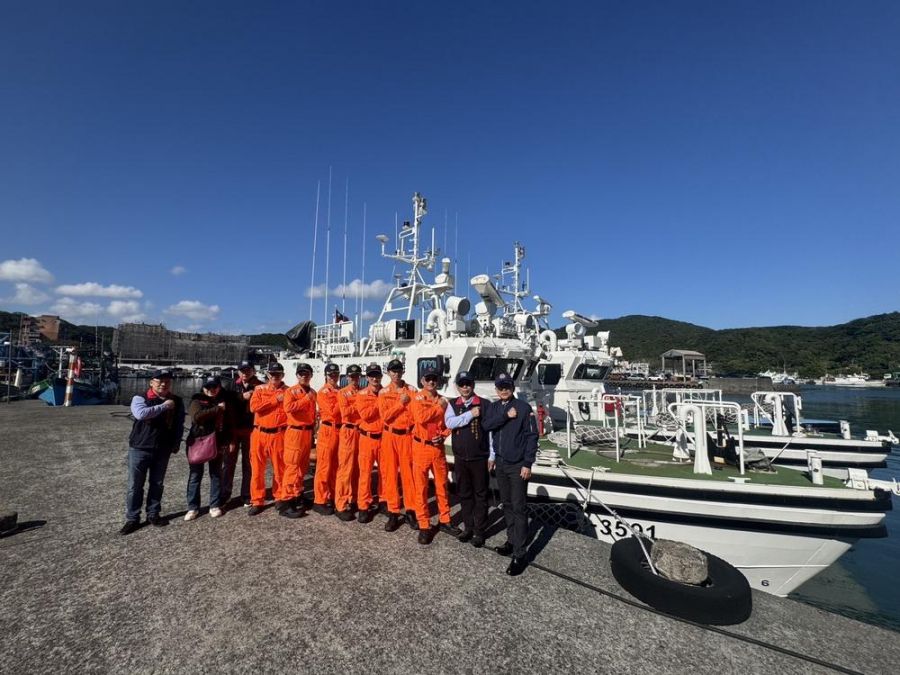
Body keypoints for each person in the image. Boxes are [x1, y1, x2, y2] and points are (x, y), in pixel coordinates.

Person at [482, 372, 538, 576]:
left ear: (512, 388)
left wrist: (528, 463)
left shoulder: (524, 409)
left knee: (519, 507)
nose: (503, 390)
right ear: (496, 389)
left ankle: (520, 554)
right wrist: (505, 416)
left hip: (517, 466)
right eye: (500, 387)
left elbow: (533, 436)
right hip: (501, 463)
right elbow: (486, 425)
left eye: (507, 387)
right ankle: (511, 541)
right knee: (506, 504)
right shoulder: (495, 408)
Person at [120, 369, 185, 535]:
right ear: (151, 382)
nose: (163, 384)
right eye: (159, 380)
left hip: (163, 448)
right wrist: (163, 406)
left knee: (157, 483)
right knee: (135, 485)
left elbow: (179, 424)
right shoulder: (140, 398)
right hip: (140, 447)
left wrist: (176, 443)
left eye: (167, 381)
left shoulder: (176, 400)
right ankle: (133, 518)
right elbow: (140, 414)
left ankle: (153, 514)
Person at [409, 368, 461, 544]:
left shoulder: (443, 400)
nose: (431, 382)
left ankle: (445, 520)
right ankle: (424, 524)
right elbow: (421, 418)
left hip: (437, 448)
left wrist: (444, 435)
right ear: (422, 380)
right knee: (421, 488)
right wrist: (439, 407)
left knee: (442, 485)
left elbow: (450, 424)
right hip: (421, 447)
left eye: (434, 379)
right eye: (428, 379)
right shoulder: (418, 398)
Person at [249, 362, 302, 518]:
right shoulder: (259, 389)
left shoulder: (289, 391)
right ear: (267, 375)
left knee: (280, 469)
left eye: (278, 374)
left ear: (283, 376)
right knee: (257, 470)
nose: (274, 377)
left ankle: (280, 497)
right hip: (259, 433)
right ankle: (257, 500)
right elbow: (254, 407)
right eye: (272, 374)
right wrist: (274, 400)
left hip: (280, 434)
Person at [444, 370, 490, 548]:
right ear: (457, 386)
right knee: (464, 494)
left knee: (481, 495)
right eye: (462, 384)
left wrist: (491, 455)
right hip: (461, 458)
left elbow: (490, 432)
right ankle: (468, 527)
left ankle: (479, 531)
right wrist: (470, 414)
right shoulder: (452, 405)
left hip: (479, 457)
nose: (465, 387)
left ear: (473, 385)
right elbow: (450, 423)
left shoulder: (485, 404)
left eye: (468, 384)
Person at [184, 376, 233, 521]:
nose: (211, 390)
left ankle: (214, 505)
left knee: (216, 475)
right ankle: (193, 507)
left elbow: (228, 423)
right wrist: (217, 409)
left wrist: (229, 441)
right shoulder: (196, 400)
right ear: (203, 388)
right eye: (208, 387)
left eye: (214, 387)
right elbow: (197, 417)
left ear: (219, 387)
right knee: (195, 476)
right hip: (198, 442)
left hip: (217, 442)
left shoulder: (224, 400)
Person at [378, 359, 417, 532]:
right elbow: (385, 416)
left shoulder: (413, 391)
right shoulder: (383, 392)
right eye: (393, 371)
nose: (396, 373)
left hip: (407, 436)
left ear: (403, 371)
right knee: (391, 473)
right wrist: (401, 403)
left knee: (409, 475)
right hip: (389, 436)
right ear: (388, 373)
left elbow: (417, 415)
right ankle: (393, 511)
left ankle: (411, 510)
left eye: (399, 370)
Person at [223, 360, 260, 508]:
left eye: (248, 370)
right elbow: (226, 404)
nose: (245, 373)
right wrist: (241, 397)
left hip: (251, 430)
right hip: (233, 429)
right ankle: (225, 495)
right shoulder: (231, 386)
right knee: (228, 463)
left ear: (253, 371)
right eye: (242, 370)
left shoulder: (259, 385)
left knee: (249, 463)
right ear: (238, 372)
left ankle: (246, 494)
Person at [282, 363, 317, 513]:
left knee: (302, 467)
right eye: (301, 373)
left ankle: (297, 494)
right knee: (292, 467)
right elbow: (288, 408)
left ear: (311, 375)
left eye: (307, 373)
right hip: (295, 432)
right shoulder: (291, 391)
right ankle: (286, 501)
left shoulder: (313, 392)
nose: (304, 376)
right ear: (297, 376)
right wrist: (305, 399)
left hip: (307, 432)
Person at [353, 363, 383, 523]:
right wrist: (380, 402)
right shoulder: (362, 394)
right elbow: (365, 415)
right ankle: (363, 506)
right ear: (367, 378)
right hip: (367, 438)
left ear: (381, 376)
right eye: (371, 375)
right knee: (365, 474)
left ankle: (383, 501)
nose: (374, 378)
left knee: (385, 473)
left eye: (377, 375)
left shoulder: (387, 393)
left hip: (384, 439)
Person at [311, 362, 342, 516]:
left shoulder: (339, 391)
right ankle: (319, 500)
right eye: (331, 375)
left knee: (335, 466)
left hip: (339, 431)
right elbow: (332, 411)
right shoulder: (323, 392)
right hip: (328, 430)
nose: (333, 377)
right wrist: (343, 401)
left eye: (336, 374)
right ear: (326, 376)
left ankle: (330, 495)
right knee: (324, 466)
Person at [335, 364, 362, 521]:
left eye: (357, 376)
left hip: (361, 432)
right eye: (352, 376)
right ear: (347, 378)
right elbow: (345, 411)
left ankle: (353, 498)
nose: (354, 379)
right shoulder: (342, 393)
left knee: (357, 468)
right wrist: (359, 405)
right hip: (349, 431)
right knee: (345, 468)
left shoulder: (361, 392)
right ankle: (341, 504)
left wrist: (355, 405)